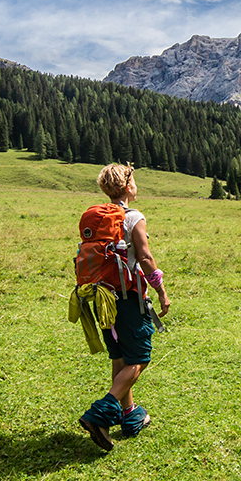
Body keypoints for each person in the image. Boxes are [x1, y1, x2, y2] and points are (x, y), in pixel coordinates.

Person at [78, 163, 171, 452]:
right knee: (139, 359)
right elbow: (144, 257)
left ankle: (130, 416)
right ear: (129, 187)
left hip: (103, 299)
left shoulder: (98, 218)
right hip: (130, 299)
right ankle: (100, 413)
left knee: (120, 358)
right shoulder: (133, 218)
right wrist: (162, 291)